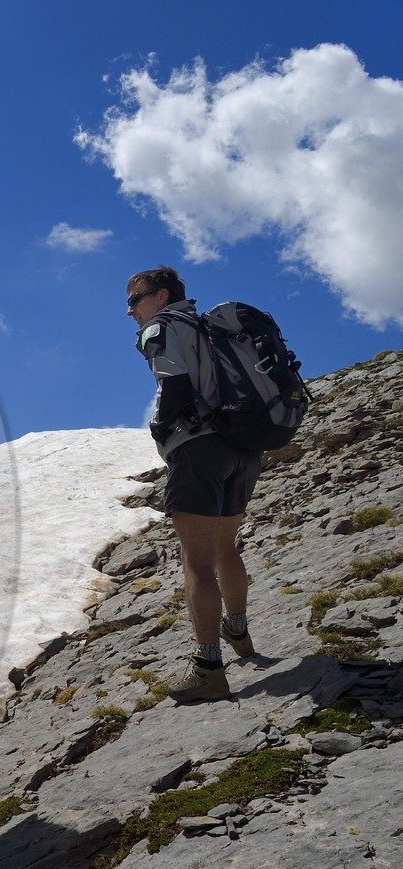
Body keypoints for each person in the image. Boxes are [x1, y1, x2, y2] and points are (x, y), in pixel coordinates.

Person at [127, 266, 260, 704]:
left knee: (197, 561)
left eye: (135, 299)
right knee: (226, 547)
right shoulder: (209, 327)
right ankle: (237, 630)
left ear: (161, 295)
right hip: (243, 446)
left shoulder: (159, 328)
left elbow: (174, 383)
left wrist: (162, 427)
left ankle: (208, 669)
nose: (130, 310)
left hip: (198, 447)